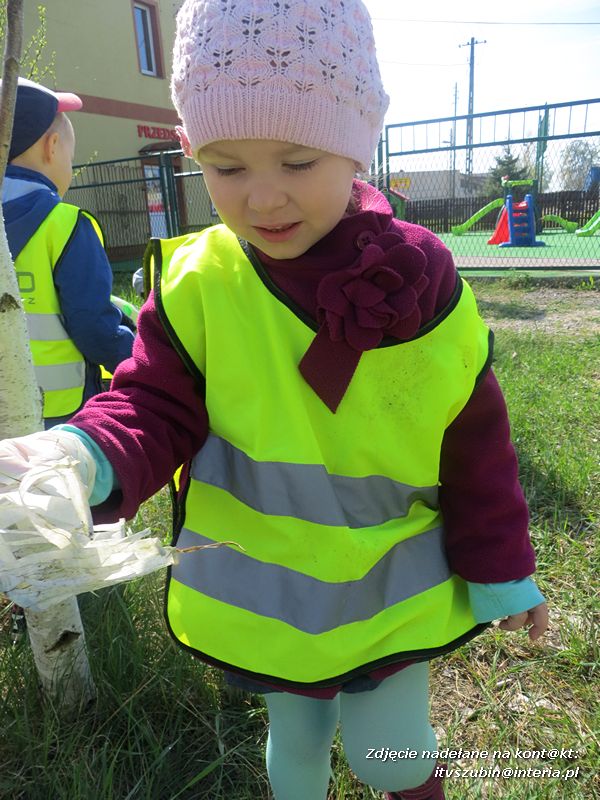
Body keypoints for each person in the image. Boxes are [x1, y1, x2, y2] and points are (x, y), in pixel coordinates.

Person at [0, 3, 548, 798]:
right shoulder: (197, 286)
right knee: (294, 743)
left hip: (392, 587)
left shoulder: (425, 285)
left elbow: (475, 439)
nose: (262, 199)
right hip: (270, 597)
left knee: (389, 751)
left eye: (297, 163)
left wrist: (503, 568)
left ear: (360, 143)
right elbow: (152, 405)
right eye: (226, 167)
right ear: (189, 150)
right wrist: (74, 456)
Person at [1, 77, 135, 427]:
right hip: (59, 414)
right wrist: (136, 356)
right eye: (70, 158)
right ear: (52, 147)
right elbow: (93, 327)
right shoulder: (66, 224)